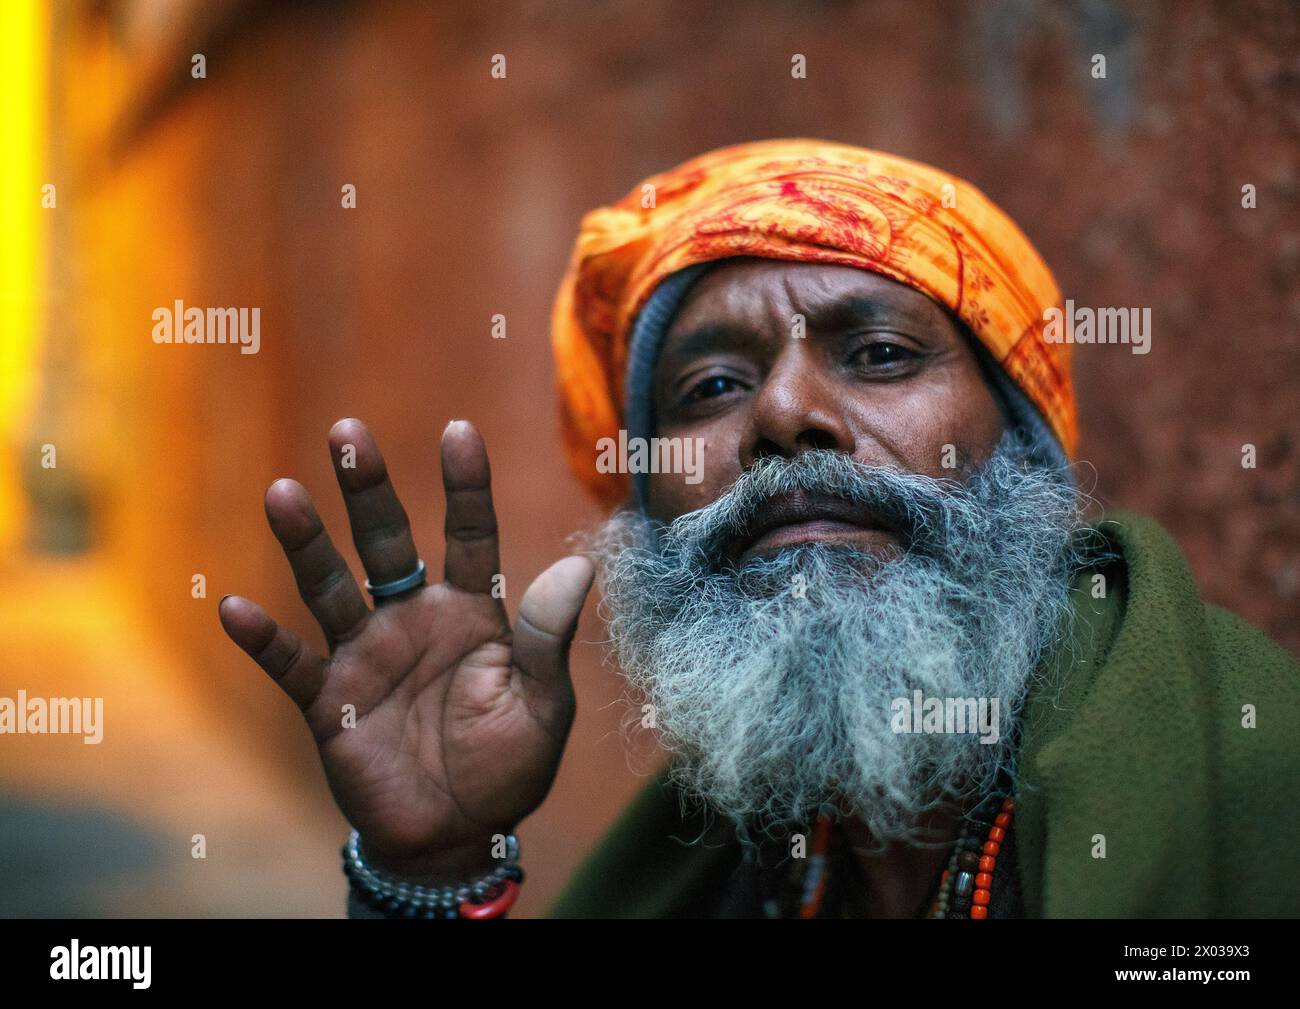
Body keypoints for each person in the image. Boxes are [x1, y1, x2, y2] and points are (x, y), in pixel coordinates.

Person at [218, 139, 1300, 918]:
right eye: (712, 384)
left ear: (1019, 446)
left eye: (878, 353)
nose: (783, 415)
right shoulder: (732, 857)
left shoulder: (1255, 780)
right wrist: (441, 860)